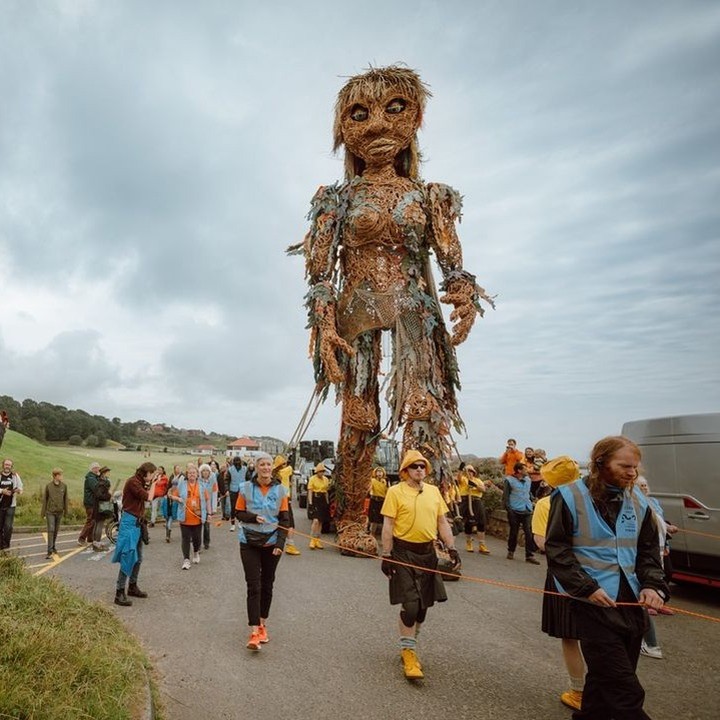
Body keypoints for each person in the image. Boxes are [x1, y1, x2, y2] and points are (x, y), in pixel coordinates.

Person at [289, 65, 493, 556]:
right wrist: (323, 318)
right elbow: (318, 275)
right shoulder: (335, 200)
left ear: (415, 117)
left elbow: (451, 262)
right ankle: (353, 519)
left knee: (423, 414)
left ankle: (425, 528)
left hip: (413, 313)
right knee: (358, 416)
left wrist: (464, 290)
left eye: (394, 109)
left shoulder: (429, 197)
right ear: (345, 132)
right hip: (355, 313)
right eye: (360, 116)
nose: (378, 126)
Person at [545, 436, 669, 720]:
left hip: (630, 604)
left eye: (635, 468)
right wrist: (585, 587)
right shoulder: (568, 496)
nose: (632, 473)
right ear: (600, 463)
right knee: (625, 690)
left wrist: (652, 585)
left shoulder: (639, 500)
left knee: (602, 685)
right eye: (625, 466)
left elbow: (648, 551)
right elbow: (557, 550)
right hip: (591, 603)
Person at [381, 450, 459, 680]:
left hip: (428, 554)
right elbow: (388, 525)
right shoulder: (395, 492)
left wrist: (452, 547)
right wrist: (386, 555)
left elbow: (442, 522)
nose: (419, 470)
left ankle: (410, 644)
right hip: (403, 552)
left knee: (424, 606)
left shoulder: (434, 492)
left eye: (422, 466)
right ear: (405, 470)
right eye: (414, 466)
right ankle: (409, 654)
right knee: (411, 605)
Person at [532, 455, 585, 711]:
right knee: (598, 635)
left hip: (564, 576)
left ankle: (579, 691)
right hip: (601, 574)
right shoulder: (594, 499)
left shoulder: (546, 503)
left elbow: (543, 542)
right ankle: (602, 689)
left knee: (570, 635)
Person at [235, 453, 289, 651]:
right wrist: (252, 517)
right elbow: (238, 513)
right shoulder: (246, 488)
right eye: (262, 465)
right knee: (253, 586)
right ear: (256, 467)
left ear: (272, 467)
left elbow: (285, 520)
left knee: (267, 585)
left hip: (271, 543)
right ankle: (254, 631)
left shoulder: (281, 490)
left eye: (268, 464)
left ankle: (263, 623)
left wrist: (280, 545)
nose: (266, 468)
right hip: (249, 543)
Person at [636, 475, 677, 659]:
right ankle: (650, 643)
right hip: (645, 556)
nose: (644, 487)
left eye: (645, 484)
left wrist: (668, 531)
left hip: (654, 554)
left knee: (662, 579)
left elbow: (659, 525)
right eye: (640, 485)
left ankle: (650, 644)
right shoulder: (635, 504)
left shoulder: (650, 503)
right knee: (639, 602)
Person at [111, 462, 158, 606]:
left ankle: (132, 586)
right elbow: (148, 497)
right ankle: (119, 593)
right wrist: (155, 484)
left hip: (137, 523)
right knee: (128, 556)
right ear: (146, 473)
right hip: (129, 523)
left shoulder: (139, 481)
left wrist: (152, 484)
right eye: (152, 473)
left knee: (138, 558)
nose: (153, 476)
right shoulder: (133, 482)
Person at [168, 464, 212, 569]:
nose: (192, 474)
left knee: (197, 539)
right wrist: (177, 499)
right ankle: (186, 560)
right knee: (185, 538)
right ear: (187, 474)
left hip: (198, 517)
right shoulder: (181, 484)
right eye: (190, 473)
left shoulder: (202, 485)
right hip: (185, 517)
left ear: (197, 474)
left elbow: (207, 500)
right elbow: (172, 495)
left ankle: (196, 552)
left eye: (194, 473)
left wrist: (209, 514)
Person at [503, 462, 540, 564]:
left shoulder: (528, 480)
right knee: (513, 532)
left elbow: (528, 492)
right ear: (519, 470)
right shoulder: (509, 480)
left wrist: (533, 499)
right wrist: (509, 510)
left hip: (527, 509)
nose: (527, 470)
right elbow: (505, 497)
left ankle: (529, 555)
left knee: (528, 533)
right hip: (514, 510)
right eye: (525, 469)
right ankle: (511, 551)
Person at [458, 464, 490, 554]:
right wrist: (460, 469)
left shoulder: (478, 480)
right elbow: (459, 478)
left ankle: (482, 545)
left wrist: (475, 485)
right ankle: (469, 543)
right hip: (466, 501)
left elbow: (483, 489)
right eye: (468, 471)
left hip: (476, 501)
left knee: (481, 523)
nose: (469, 473)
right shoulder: (464, 479)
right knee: (468, 523)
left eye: (471, 471)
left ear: (474, 472)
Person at [272, 455, 301, 556]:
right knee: (290, 524)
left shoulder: (274, 474)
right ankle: (290, 546)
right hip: (285, 500)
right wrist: (292, 453)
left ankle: (273, 543)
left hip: (275, 501)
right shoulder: (286, 471)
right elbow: (291, 465)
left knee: (277, 522)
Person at [41, 468, 68, 559]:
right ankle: (49, 551)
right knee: (51, 529)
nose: (62, 476)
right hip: (50, 512)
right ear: (55, 476)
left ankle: (53, 547)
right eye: (60, 475)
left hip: (59, 512)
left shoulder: (64, 486)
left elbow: (65, 500)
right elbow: (45, 499)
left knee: (56, 530)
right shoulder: (48, 486)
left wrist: (66, 511)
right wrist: (43, 513)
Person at [0, 458, 23, 551]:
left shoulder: (15, 476)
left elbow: (21, 487)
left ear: (11, 466)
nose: (7, 466)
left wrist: (18, 490)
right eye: (6, 464)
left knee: (8, 527)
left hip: (11, 505)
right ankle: (1, 545)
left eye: (9, 465)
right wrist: (2, 491)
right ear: (3, 465)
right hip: (0, 505)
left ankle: (6, 545)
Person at [307, 463, 330, 549]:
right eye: (320, 472)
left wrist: (327, 502)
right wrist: (310, 503)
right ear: (317, 472)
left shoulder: (326, 479)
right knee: (315, 520)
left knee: (321, 521)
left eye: (323, 472)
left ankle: (317, 540)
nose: (322, 473)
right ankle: (312, 539)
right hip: (315, 498)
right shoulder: (312, 479)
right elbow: (310, 491)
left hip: (323, 499)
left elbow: (326, 492)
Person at [78, 462, 101, 546]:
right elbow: (96, 488)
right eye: (97, 468)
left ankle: (90, 539)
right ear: (93, 469)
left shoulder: (93, 477)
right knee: (91, 521)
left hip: (92, 502)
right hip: (90, 502)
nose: (99, 470)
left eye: (99, 468)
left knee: (92, 520)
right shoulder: (91, 478)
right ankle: (81, 538)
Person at [91, 466, 113, 551]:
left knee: (97, 524)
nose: (109, 473)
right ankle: (97, 544)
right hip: (101, 507)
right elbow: (100, 495)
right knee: (99, 525)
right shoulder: (103, 483)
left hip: (97, 506)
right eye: (108, 472)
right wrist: (109, 495)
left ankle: (95, 543)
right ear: (104, 473)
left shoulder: (99, 482)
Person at [199, 463, 218, 550]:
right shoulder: (198, 481)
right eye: (204, 471)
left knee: (207, 526)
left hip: (208, 506)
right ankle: (197, 543)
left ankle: (206, 542)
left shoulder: (213, 480)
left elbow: (214, 494)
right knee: (198, 526)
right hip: (199, 506)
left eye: (207, 471)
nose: (205, 472)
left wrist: (214, 508)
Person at [367, 466, 388, 536]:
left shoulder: (386, 482)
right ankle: (371, 534)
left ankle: (384, 536)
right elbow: (369, 488)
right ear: (375, 473)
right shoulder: (372, 481)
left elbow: (388, 491)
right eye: (378, 472)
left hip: (382, 502)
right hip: (374, 501)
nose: (379, 473)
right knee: (373, 519)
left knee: (383, 519)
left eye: (381, 472)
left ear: (383, 473)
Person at [228, 456, 246, 531]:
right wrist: (226, 490)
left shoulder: (245, 469)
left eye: (239, 461)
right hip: (233, 490)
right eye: (236, 461)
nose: (237, 463)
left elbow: (248, 479)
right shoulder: (230, 469)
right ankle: (232, 524)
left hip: (243, 490)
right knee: (233, 508)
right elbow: (227, 480)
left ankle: (240, 522)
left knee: (242, 508)